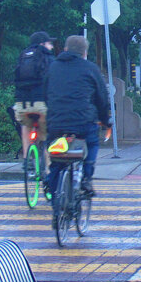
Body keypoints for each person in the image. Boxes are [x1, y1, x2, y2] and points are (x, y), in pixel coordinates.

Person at [44, 35, 110, 198]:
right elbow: (102, 98)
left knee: (56, 159)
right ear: (85, 52)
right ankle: (86, 177)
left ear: (65, 49)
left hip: (56, 123)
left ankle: (53, 201)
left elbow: (45, 94)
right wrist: (105, 120)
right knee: (93, 143)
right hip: (83, 122)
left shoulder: (52, 68)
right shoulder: (91, 68)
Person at [12, 31, 56, 162]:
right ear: (42, 44)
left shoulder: (22, 56)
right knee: (49, 134)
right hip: (41, 105)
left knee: (25, 125)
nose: (52, 46)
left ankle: (26, 159)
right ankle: (49, 169)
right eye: (49, 43)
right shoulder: (49, 59)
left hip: (22, 105)